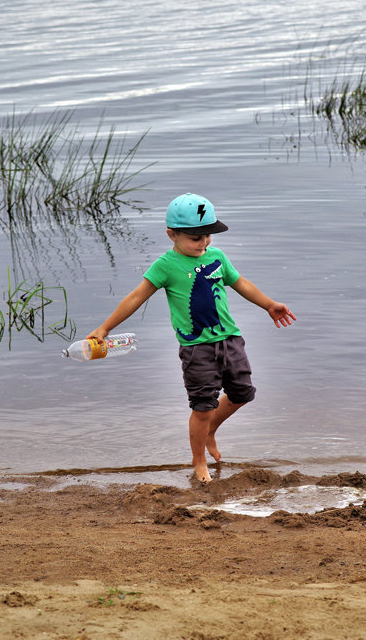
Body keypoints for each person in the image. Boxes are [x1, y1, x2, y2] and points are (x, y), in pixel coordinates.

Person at [86, 193, 296, 484]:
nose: (204, 243)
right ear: (172, 234)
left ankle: (210, 429)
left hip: (230, 338)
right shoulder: (166, 265)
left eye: (208, 235)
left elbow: (240, 283)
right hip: (197, 348)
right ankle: (199, 461)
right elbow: (136, 297)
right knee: (202, 406)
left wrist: (269, 304)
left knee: (243, 393)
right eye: (196, 238)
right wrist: (104, 328)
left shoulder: (217, 257)